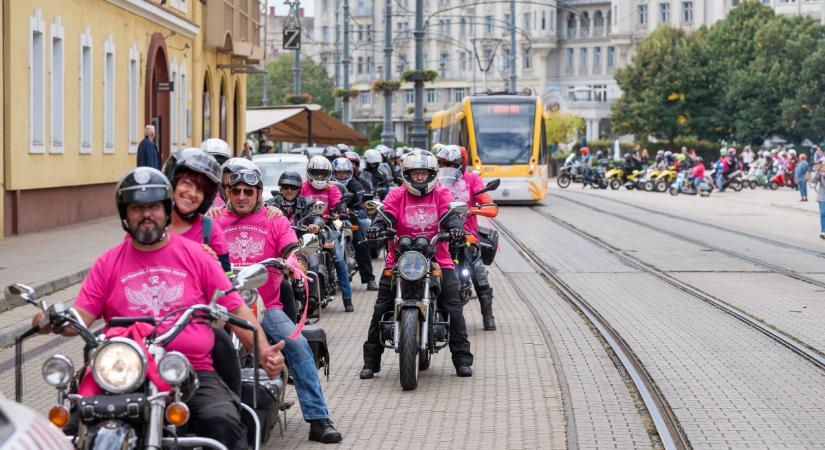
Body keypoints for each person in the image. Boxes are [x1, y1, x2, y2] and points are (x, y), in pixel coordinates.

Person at [33, 167, 285, 450]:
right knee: (67, 429)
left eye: (153, 206)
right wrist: (52, 318)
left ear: (166, 210)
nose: (146, 214)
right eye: (137, 208)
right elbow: (81, 314)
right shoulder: (107, 262)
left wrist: (263, 351)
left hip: (190, 370)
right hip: (121, 370)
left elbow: (236, 310)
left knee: (223, 421)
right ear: (124, 214)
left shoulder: (196, 256)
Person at [214, 159, 343, 443]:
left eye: (248, 191)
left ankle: (318, 418)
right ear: (227, 192)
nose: (242, 197)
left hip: (265, 305)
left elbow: (290, 249)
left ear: (259, 192)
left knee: (297, 345)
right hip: (221, 306)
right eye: (236, 191)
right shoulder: (214, 220)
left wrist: (293, 263)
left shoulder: (274, 218)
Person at [360, 149, 474, 379]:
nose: (419, 178)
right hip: (399, 260)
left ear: (432, 174)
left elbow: (450, 213)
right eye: (415, 173)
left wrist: (455, 228)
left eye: (424, 173)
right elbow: (387, 213)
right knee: (381, 308)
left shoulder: (441, 194)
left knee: (453, 307)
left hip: (437, 259)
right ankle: (371, 362)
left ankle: (462, 360)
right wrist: (377, 226)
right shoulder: (396, 194)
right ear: (406, 174)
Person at [435, 145, 499, 330]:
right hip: (442, 234)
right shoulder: (436, 181)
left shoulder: (472, 179)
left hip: (467, 234)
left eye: (451, 164)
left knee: (477, 270)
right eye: (442, 163)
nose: (446, 167)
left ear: (461, 164)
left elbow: (490, 205)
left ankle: (488, 315)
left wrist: (474, 209)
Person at [163, 148, 231, 273]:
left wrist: (214, 266)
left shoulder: (210, 229)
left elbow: (227, 283)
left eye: (200, 190)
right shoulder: (150, 224)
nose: (192, 193)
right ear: (172, 184)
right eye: (186, 184)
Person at [301, 156, 354, 312]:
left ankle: (347, 299)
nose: (318, 177)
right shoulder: (303, 188)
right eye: (315, 173)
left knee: (339, 260)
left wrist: (342, 209)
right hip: (307, 228)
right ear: (310, 173)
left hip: (327, 228)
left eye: (322, 174)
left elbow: (338, 202)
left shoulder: (332, 188)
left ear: (328, 174)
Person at [332, 157, 378, 291]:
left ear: (349, 173)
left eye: (344, 173)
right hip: (332, 218)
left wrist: (362, 209)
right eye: (339, 173)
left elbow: (360, 197)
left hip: (351, 217)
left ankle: (370, 279)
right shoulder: (328, 184)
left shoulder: (355, 183)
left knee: (361, 243)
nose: (341, 175)